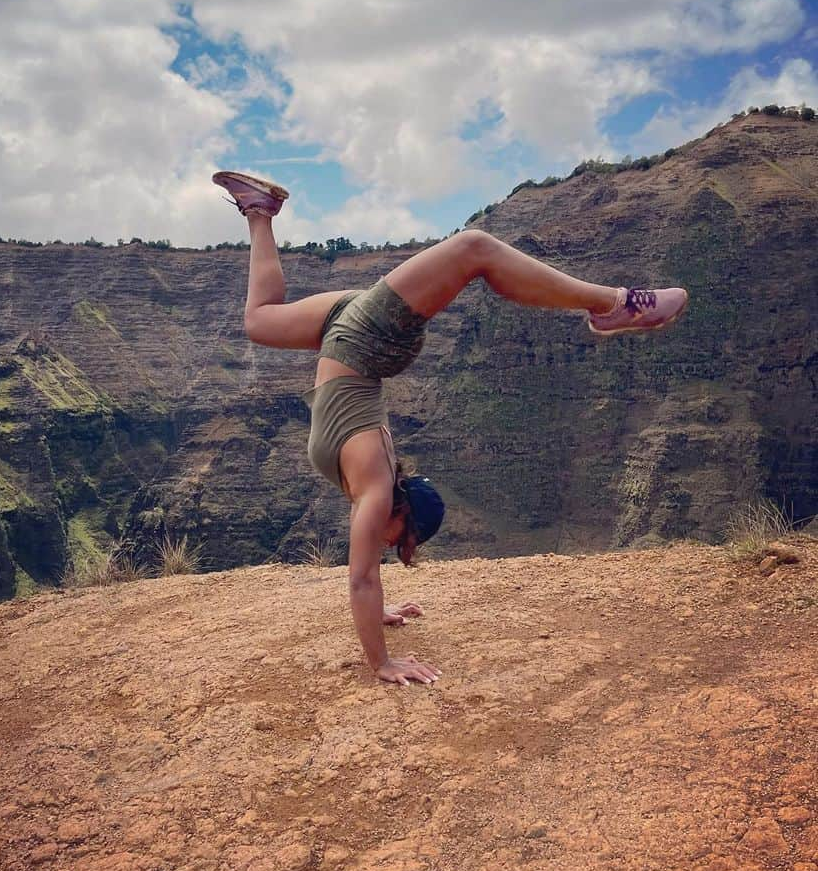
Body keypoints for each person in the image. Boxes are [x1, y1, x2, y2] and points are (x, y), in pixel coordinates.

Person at [213, 170, 688, 687]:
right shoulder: (373, 480)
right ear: (402, 517)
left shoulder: (373, 480)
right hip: (364, 338)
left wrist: (382, 614)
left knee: (260, 320)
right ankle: (612, 304)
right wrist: (382, 663)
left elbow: (367, 583)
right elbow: (361, 580)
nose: (389, 547)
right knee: (473, 248)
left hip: (347, 334)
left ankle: (259, 212)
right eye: (402, 543)